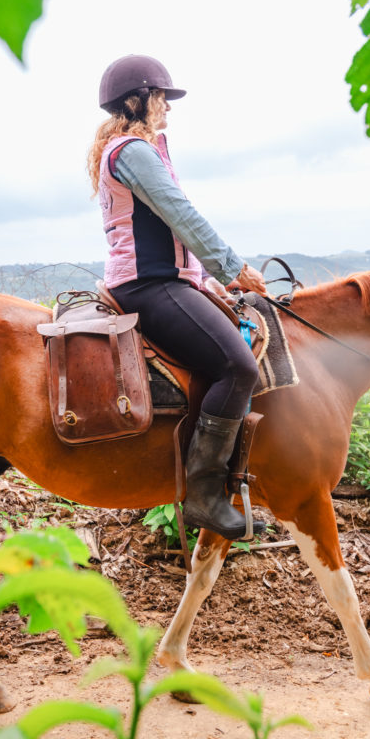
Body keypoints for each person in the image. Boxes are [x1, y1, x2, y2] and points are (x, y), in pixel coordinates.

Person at [88, 54, 267, 540]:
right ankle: (205, 496)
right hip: (148, 285)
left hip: (166, 280)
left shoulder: (138, 150)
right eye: (161, 97)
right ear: (137, 101)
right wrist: (233, 268)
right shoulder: (133, 151)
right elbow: (182, 215)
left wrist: (208, 282)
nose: (167, 106)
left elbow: (172, 234)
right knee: (239, 367)